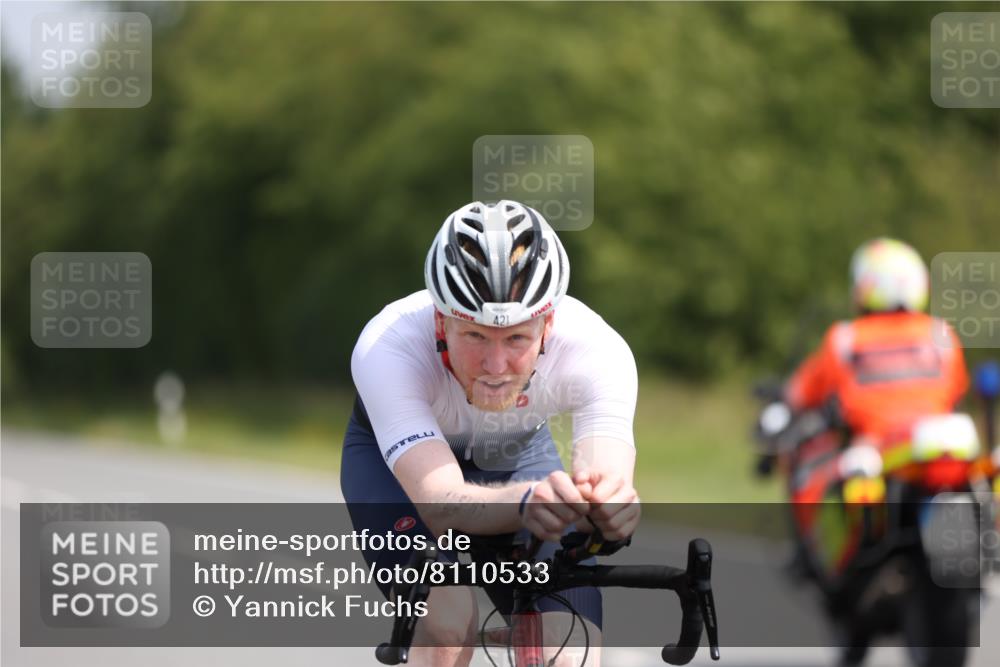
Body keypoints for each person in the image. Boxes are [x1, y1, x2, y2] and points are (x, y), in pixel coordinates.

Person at [341, 200, 640, 667]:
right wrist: (527, 503)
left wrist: (608, 511)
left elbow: (604, 479)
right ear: (441, 322)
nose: (496, 368)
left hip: (516, 458)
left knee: (568, 649)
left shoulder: (597, 351)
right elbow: (440, 503)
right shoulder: (389, 344)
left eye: (517, 338)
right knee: (447, 626)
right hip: (401, 475)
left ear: (548, 326)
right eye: (475, 337)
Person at [785, 237, 968, 448]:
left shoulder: (845, 338)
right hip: (940, 447)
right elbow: (957, 393)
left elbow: (801, 393)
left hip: (873, 450)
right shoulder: (941, 334)